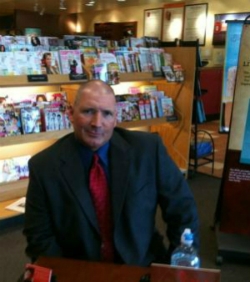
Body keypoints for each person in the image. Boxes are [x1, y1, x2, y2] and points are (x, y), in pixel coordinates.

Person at [23, 79, 199, 266]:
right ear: (70, 114)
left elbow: (182, 209)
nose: (97, 123)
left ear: (116, 118)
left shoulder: (148, 150)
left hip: (141, 266)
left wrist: (177, 264)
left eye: (106, 114)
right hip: (79, 272)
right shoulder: (44, 166)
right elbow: (39, 237)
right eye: (88, 111)